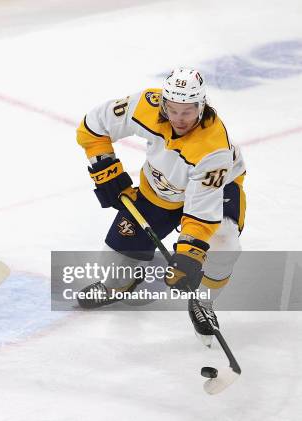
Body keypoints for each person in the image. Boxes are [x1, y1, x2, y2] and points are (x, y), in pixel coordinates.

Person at [75, 68, 246, 345]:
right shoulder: (146, 105)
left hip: (217, 188)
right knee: (112, 267)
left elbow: (201, 213)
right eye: (173, 109)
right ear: (164, 102)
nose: (179, 118)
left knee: (224, 243)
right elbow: (92, 126)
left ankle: (203, 303)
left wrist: (189, 255)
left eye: (188, 111)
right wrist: (106, 169)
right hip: (161, 188)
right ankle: (123, 284)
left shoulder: (214, 150)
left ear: (201, 106)